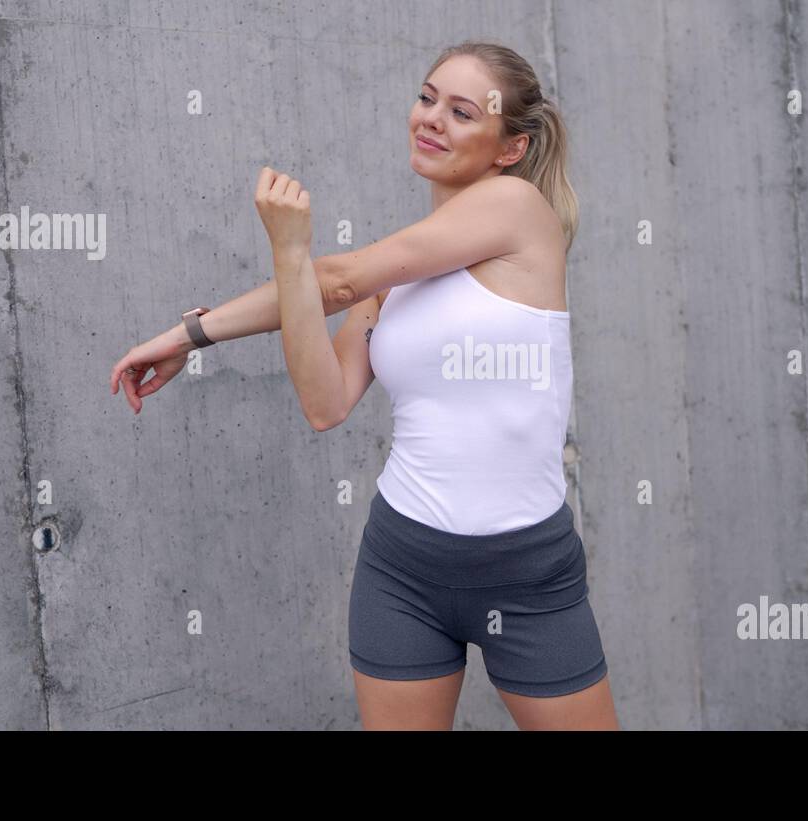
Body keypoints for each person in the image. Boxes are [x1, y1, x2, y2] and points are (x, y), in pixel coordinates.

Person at [109, 41, 617, 730]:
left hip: (526, 574)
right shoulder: (394, 279)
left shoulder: (517, 209)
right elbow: (325, 401)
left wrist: (293, 256)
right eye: (427, 97)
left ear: (509, 148)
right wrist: (193, 332)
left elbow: (335, 279)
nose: (431, 118)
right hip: (403, 567)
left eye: (462, 111)